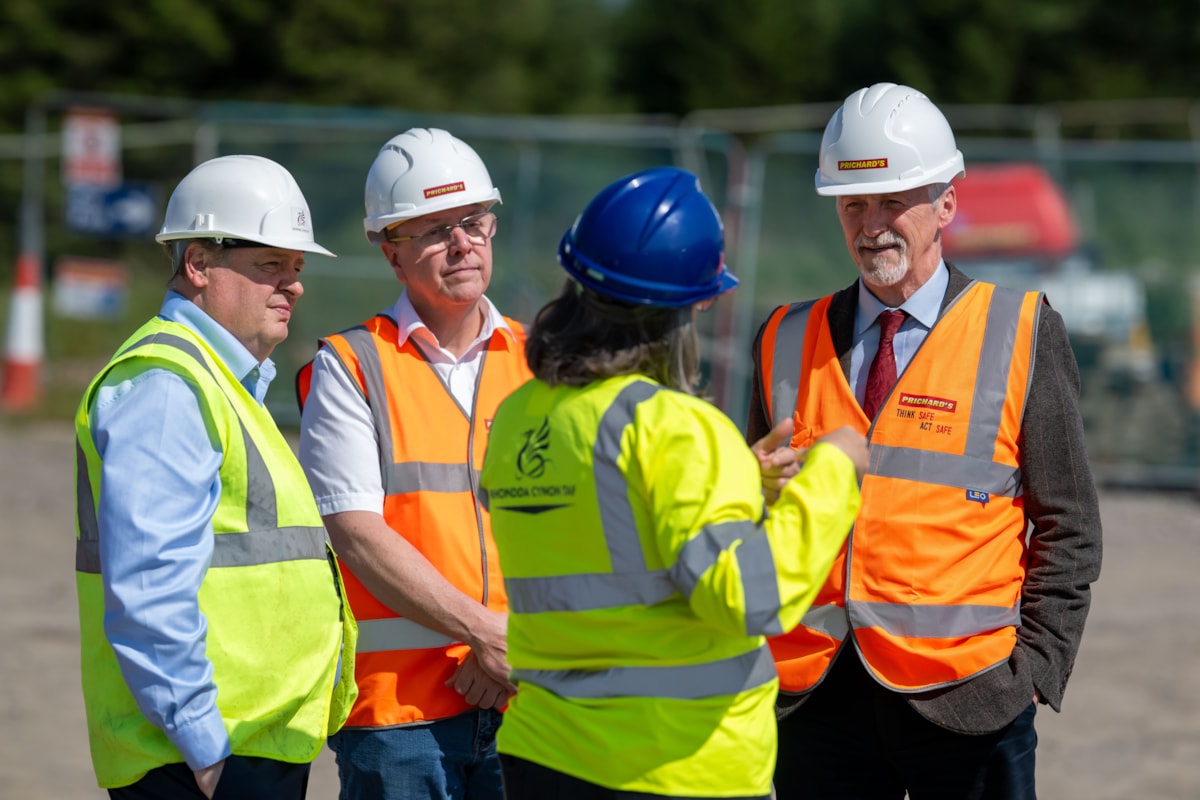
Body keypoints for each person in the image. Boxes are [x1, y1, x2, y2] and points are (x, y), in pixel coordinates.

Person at [747, 83, 1104, 799]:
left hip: (972, 700)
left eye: (892, 201)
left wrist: (1036, 669)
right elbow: (750, 512)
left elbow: (1070, 524)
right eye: (854, 204)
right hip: (815, 698)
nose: (871, 225)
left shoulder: (1022, 330)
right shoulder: (783, 338)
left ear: (946, 202)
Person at [479, 166, 869, 800]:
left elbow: (610, 532)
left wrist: (738, 478)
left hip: (543, 754)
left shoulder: (522, 416)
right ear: (686, 309)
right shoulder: (677, 428)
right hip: (673, 766)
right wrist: (834, 470)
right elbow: (750, 599)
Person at [74, 154, 358, 799]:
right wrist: (204, 748)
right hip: (204, 755)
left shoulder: (218, 380)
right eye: (269, 266)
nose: (294, 285)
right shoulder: (167, 385)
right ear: (199, 264)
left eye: (297, 267)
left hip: (243, 744)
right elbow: (148, 588)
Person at [296, 128, 531, 800]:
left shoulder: (542, 359)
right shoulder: (352, 366)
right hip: (401, 718)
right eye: (432, 230)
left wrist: (514, 649)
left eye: (472, 222)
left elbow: (583, 525)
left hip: (528, 697)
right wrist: (486, 633)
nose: (462, 243)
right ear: (390, 250)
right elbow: (356, 533)